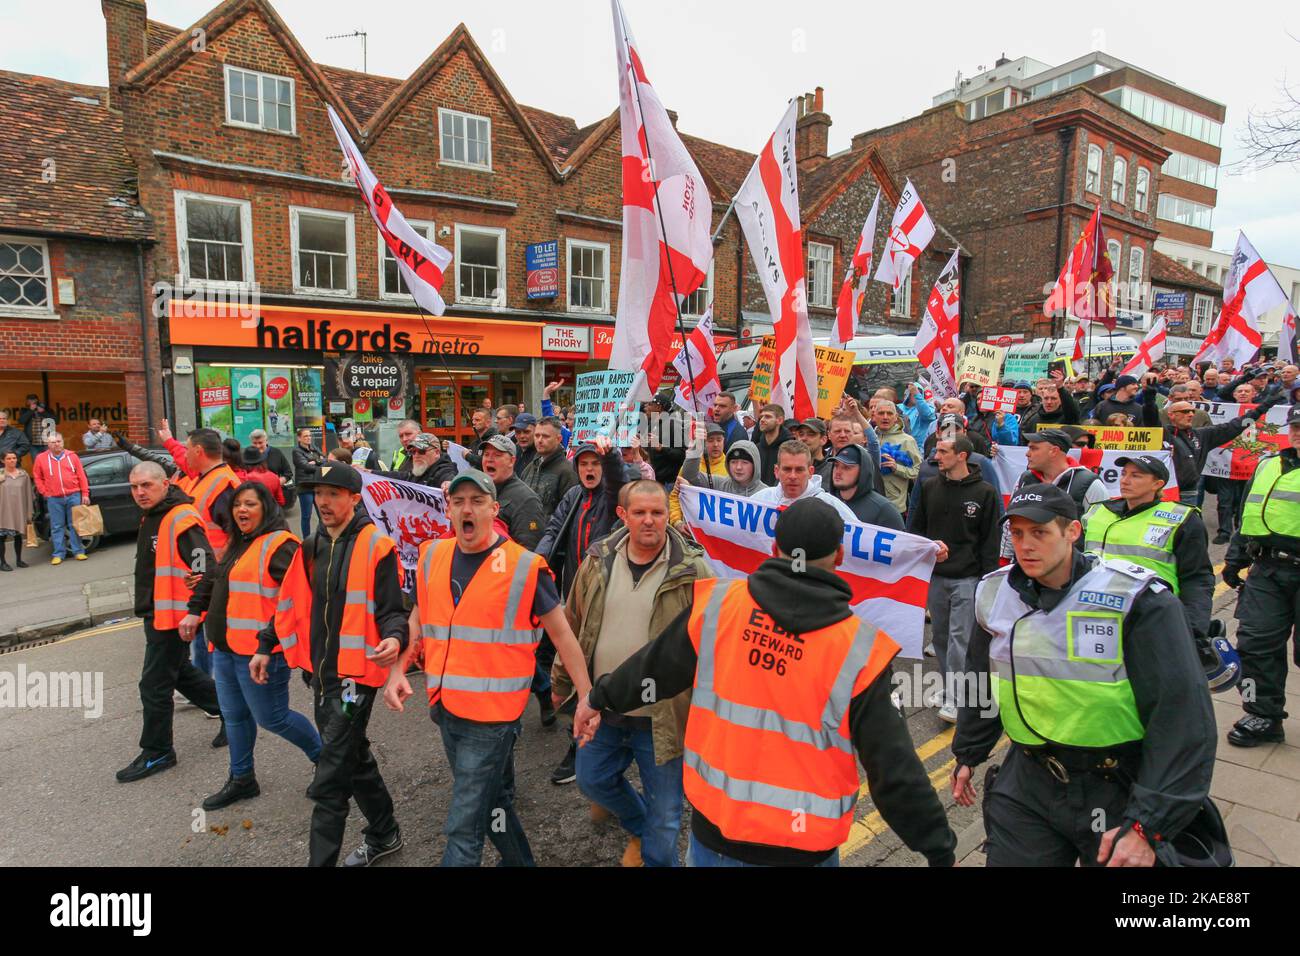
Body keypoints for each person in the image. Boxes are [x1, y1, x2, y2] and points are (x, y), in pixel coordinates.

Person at [575, 498, 959, 867]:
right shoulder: (861, 651)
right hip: (804, 844)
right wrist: (939, 850)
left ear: (774, 547)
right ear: (840, 557)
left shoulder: (719, 607)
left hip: (716, 837)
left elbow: (653, 671)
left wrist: (598, 697)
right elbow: (895, 772)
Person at [951, 484, 1216, 867]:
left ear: (1072, 532)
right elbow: (980, 679)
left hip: (1115, 784)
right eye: (1018, 533)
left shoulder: (1137, 599)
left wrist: (1148, 823)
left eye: (1040, 533)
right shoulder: (993, 593)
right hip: (1029, 778)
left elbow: (1182, 716)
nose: (1025, 546)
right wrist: (968, 753)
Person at [384, 470, 595, 867]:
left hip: (494, 719)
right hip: (445, 707)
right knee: (492, 801)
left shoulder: (524, 568)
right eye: (459, 501)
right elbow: (417, 616)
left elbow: (565, 637)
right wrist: (398, 668)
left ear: (494, 510)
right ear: (448, 509)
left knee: (464, 828)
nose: (467, 509)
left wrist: (585, 698)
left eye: (477, 501)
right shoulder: (432, 555)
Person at [552, 481, 713, 867]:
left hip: (662, 718)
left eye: (657, 513)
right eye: (639, 512)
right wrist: (561, 682)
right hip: (603, 709)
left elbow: (709, 643)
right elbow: (572, 624)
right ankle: (640, 827)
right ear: (623, 515)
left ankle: (655, 849)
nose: (649, 521)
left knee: (667, 816)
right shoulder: (598, 561)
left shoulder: (693, 569)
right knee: (592, 780)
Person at [267, 461, 408, 867]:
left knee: (330, 776)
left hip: (354, 682)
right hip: (320, 676)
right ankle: (385, 833)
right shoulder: (312, 545)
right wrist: (265, 646)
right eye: (318, 493)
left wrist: (394, 637)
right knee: (354, 757)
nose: (323, 501)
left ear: (354, 497)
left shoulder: (376, 546)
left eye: (333, 494)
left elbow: (392, 610)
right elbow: (290, 603)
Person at [181, 482, 321, 810]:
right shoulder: (239, 543)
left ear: (267, 509)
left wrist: (267, 643)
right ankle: (242, 778)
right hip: (227, 650)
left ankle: (326, 760)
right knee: (234, 716)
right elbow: (214, 579)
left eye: (250, 504)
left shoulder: (281, 545)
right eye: (237, 505)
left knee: (273, 718)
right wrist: (194, 611)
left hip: (261, 655)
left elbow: (296, 600)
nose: (241, 510)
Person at [116, 461, 224, 783]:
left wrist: (193, 611)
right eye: (134, 487)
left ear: (165, 484)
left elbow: (205, 567)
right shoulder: (153, 515)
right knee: (181, 674)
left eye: (146, 485)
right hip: (158, 613)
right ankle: (232, 711)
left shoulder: (181, 518)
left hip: (175, 617)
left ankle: (158, 751)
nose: (139, 492)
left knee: (153, 684)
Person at [536, 436, 627, 784]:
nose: (590, 470)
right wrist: (538, 562)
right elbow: (555, 529)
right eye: (584, 464)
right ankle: (585, 737)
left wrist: (613, 457)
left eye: (596, 464)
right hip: (572, 595)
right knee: (575, 665)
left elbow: (619, 482)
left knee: (593, 666)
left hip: (605, 597)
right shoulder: (573, 496)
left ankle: (585, 746)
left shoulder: (610, 497)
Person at [1221, 406, 1300, 746]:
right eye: (1295, 426)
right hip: (1267, 569)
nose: (1297, 433)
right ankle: (1263, 714)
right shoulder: (1269, 464)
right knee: (1254, 643)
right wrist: (1234, 559)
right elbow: (1248, 513)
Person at [909, 437, 1001, 721]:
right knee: (940, 636)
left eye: (943, 451)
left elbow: (990, 540)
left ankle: (955, 697)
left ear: (962, 455)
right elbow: (917, 529)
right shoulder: (929, 487)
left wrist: (986, 583)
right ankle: (951, 687)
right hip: (937, 578)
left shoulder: (985, 493)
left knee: (960, 639)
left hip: (968, 578)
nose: (936, 456)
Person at [1082, 455, 1213, 649]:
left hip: (1151, 616)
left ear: (1157, 484)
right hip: (1094, 615)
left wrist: (1193, 630)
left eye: (1136, 476)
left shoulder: (1181, 519)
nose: (1125, 480)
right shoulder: (1097, 512)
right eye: (1124, 473)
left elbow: (1196, 578)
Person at [1001, 430, 1107, 560]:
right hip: (1026, 564)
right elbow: (1010, 524)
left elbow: (1100, 530)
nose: (1027, 454)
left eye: (1034, 448)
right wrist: (1004, 559)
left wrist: (1089, 566)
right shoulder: (1025, 479)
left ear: (1054, 451)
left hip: (1069, 570)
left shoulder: (1088, 483)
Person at [750, 440, 859, 523]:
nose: (793, 476)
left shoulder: (831, 506)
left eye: (799, 470)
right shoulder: (759, 500)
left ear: (810, 472)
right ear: (776, 471)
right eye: (787, 469)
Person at [32, 432, 90, 565]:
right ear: (48, 444)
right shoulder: (41, 458)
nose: (56, 444)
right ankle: (59, 554)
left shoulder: (72, 456)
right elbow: (37, 477)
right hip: (54, 498)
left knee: (75, 524)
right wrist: (44, 492)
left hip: (74, 495)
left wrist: (85, 494)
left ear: (62, 442)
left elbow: (81, 476)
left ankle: (78, 551)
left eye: (58, 441)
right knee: (57, 526)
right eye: (53, 442)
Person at [479, 435, 545, 550]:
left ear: (511, 461)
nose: (489, 459)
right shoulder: (479, 491)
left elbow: (528, 553)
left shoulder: (527, 500)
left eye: (497, 455)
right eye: (486, 454)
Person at [829, 445, 903, 530]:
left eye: (847, 467)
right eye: (836, 465)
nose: (838, 472)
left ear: (863, 471)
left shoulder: (884, 510)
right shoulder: (826, 501)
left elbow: (901, 541)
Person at [871, 400, 921, 518]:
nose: (885, 417)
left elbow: (918, 471)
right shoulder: (869, 438)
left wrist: (896, 467)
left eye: (889, 413)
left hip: (895, 505)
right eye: (881, 413)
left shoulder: (907, 440)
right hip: (871, 501)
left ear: (896, 417)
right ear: (874, 416)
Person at [522, 416, 578, 519]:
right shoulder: (530, 468)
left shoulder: (568, 471)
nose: (539, 440)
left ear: (558, 439)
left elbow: (570, 514)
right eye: (537, 435)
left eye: (545, 436)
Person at [0, 450, 35, 571]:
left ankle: (19, 560)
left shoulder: (23, 474)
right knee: (2, 538)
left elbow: (29, 494)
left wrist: (29, 512)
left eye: (14, 458)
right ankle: (3, 562)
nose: (12, 460)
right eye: (8, 458)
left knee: (18, 536)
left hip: (19, 510)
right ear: (3, 460)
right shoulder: (0, 474)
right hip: (3, 512)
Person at [749, 403, 794, 486]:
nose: (762, 420)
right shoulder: (757, 448)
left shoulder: (791, 450)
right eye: (761, 416)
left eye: (768, 417)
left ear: (779, 420)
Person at [292, 429, 326, 538]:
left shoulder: (314, 448)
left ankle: (323, 536)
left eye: (310, 436)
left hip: (317, 485)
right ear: (299, 438)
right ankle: (306, 539)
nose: (308, 438)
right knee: (307, 516)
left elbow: (325, 460)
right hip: (305, 485)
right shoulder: (296, 451)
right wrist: (317, 462)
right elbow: (305, 466)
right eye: (305, 436)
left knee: (322, 514)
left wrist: (315, 462)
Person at [792, 417, 833, 484]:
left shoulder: (833, 470)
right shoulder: (789, 467)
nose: (804, 438)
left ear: (823, 440)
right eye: (801, 434)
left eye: (811, 434)